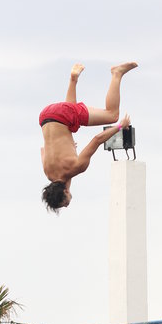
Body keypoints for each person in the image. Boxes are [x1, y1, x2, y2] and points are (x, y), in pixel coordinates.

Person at [39, 61, 138, 212]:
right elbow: (43, 150)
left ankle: (116, 73)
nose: (66, 205)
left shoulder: (76, 167)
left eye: (64, 204)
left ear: (65, 192)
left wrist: (120, 126)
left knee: (112, 115)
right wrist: (67, 146)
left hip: (62, 116)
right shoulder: (48, 173)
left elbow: (97, 140)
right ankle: (73, 79)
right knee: (72, 123)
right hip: (45, 116)